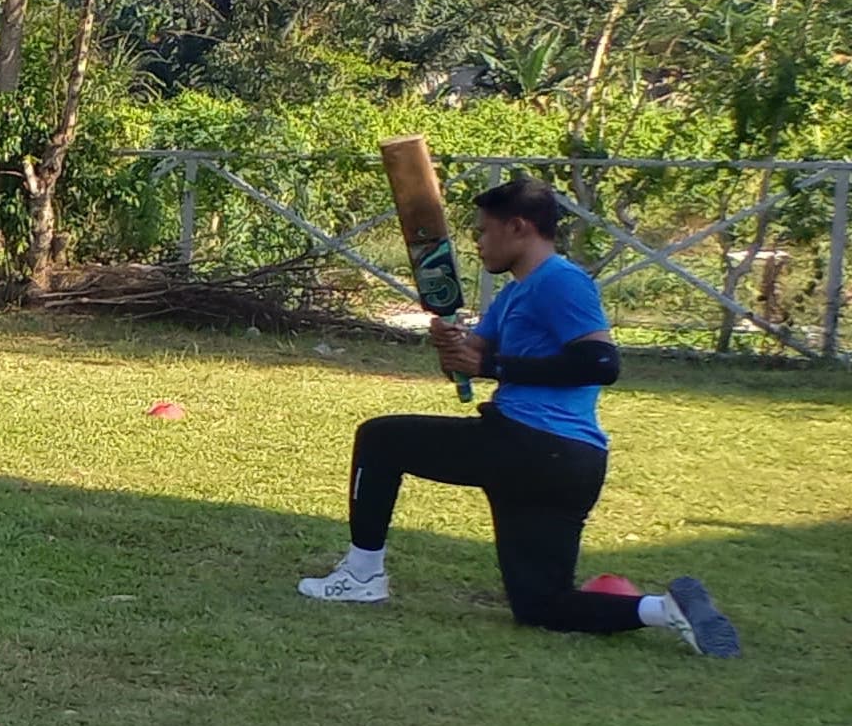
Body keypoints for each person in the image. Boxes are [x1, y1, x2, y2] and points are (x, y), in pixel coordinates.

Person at [297, 176, 741, 658]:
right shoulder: (513, 295)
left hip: (528, 444)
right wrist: (454, 348)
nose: (479, 244)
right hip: (570, 465)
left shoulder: (560, 281)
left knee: (381, 440)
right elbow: (470, 360)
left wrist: (489, 365)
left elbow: (601, 364)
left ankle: (363, 575)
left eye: (485, 232)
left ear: (520, 228)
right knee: (541, 604)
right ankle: (664, 609)